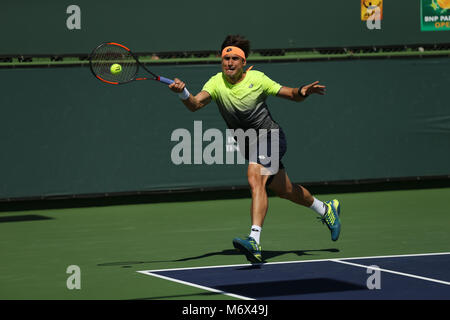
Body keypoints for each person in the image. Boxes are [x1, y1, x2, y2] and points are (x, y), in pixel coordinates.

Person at [169, 35, 341, 264]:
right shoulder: (215, 83)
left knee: (255, 176)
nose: (229, 63)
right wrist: (183, 92)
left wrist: (302, 91)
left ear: (243, 62)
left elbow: (290, 94)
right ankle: (325, 209)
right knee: (285, 190)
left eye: (234, 59)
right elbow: (195, 104)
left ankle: (254, 240)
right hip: (250, 145)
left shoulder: (257, 79)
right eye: (225, 58)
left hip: (271, 137)